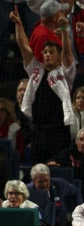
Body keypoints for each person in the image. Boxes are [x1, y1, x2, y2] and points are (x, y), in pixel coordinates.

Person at [11, 5, 74, 164]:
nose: (46, 55)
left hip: (59, 132)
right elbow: (24, 47)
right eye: (45, 52)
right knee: (37, 170)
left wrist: (65, 29)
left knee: (58, 170)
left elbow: (67, 53)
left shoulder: (64, 74)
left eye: (51, 52)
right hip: (39, 131)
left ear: (58, 57)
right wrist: (18, 25)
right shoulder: (36, 71)